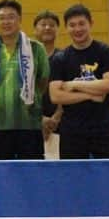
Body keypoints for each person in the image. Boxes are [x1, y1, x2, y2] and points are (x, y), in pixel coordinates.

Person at [0, 0, 50, 160]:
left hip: (29, 123)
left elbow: (43, 82)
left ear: (20, 19)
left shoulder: (36, 49)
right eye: (2, 17)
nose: (6, 21)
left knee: (31, 173)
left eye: (11, 17)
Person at [48, 3, 109, 158]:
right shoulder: (60, 58)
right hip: (72, 131)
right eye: (72, 25)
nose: (77, 29)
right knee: (73, 178)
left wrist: (73, 84)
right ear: (66, 28)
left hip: (103, 128)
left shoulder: (105, 52)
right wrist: (91, 95)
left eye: (82, 24)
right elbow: (56, 96)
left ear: (91, 23)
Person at [33, 10, 64, 154]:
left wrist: (56, 118)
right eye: (43, 24)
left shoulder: (64, 58)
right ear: (35, 30)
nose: (47, 28)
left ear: (57, 30)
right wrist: (40, 119)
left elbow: (68, 90)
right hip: (31, 123)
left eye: (52, 25)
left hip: (60, 122)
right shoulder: (27, 59)